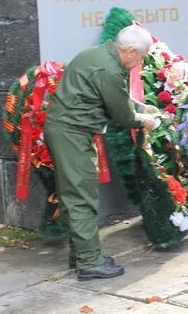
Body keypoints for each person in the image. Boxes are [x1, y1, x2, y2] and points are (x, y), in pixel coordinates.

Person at [44, 24, 159, 280]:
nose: (139, 62)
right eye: (140, 57)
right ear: (130, 51)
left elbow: (111, 96)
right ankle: (89, 262)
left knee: (75, 194)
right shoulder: (110, 69)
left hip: (67, 131)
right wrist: (143, 119)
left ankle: (84, 253)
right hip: (72, 134)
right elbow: (121, 113)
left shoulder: (95, 54)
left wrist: (141, 106)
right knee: (81, 197)